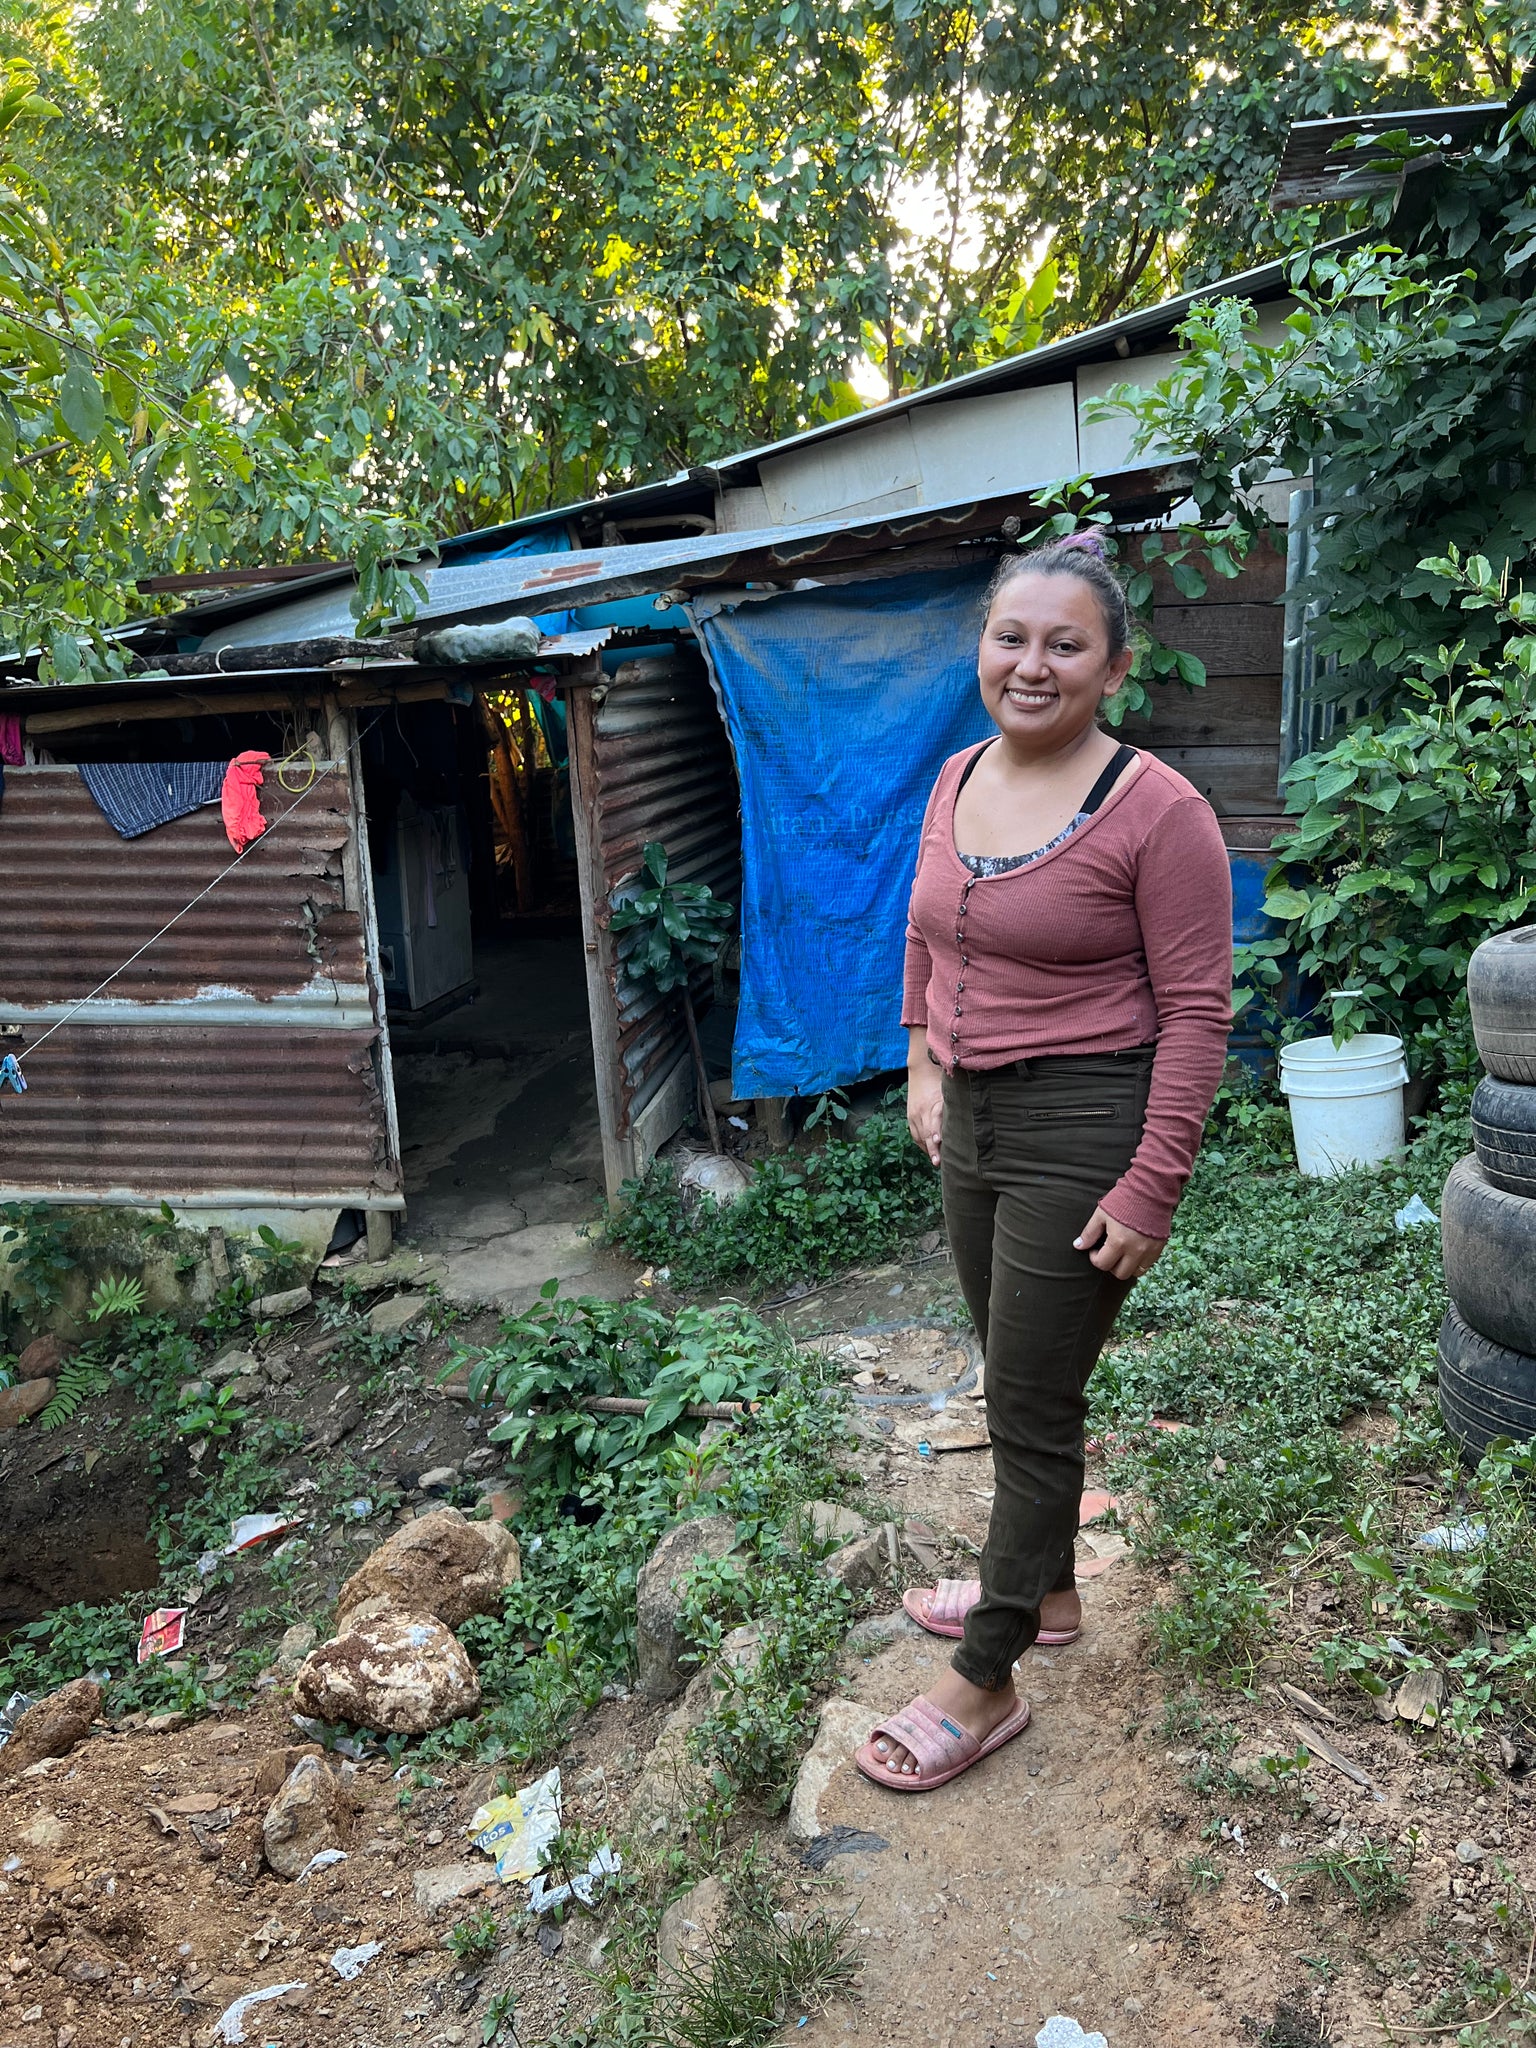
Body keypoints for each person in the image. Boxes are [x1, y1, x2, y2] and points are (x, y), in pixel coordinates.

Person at [855, 532, 1234, 1792]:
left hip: (1086, 1125)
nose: (1032, 664)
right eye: (1010, 637)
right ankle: (1052, 1588)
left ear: (1113, 667)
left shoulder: (1159, 812)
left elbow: (1198, 1013)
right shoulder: (956, 773)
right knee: (1013, 1368)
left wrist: (1152, 1182)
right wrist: (923, 1065)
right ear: (982, 648)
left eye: (1065, 644)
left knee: (1027, 1400)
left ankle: (991, 1668)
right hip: (972, 1122)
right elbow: (927, 930)